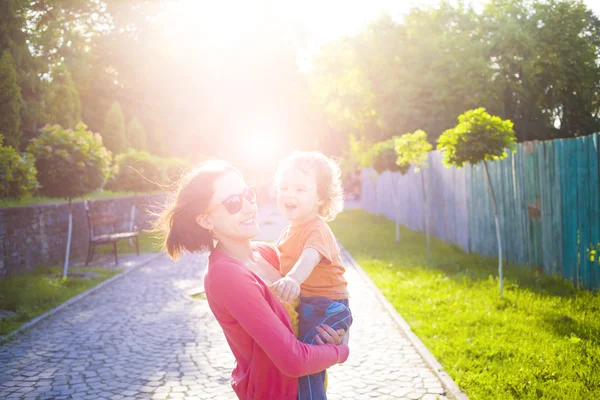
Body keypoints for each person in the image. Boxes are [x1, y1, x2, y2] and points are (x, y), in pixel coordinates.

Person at [155, 160, 349, 400]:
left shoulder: (265, 253)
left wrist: (334, 329)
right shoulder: (226, 275)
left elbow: (318, 295)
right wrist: (340, 350)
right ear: (206, 220)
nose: (249, 208)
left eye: (249, 195)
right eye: (233, 203)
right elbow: (293, 361)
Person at [271, 151, 353, 400]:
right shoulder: (288, 231)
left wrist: (293, 279)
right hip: (310, 306)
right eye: (284, 187)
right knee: (307, 367)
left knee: (305, 364)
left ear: (320, 198)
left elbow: (310, 256)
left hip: (328, 307)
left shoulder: (317, 229)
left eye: (299, 189)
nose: (289, 194)